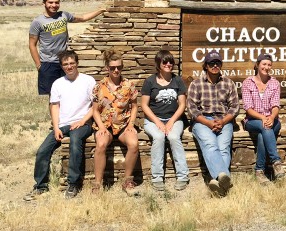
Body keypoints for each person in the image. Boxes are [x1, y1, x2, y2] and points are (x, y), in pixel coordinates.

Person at [24, 50, 95, 200]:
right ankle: (41, 186)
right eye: (65, 64)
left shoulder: (88, 80)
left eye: (71, 63)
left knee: (75, 143)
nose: (69, 66)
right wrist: (56, 127)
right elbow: (54, 106)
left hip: (83, 123)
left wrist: (82, 121)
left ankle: (73, 183)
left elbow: (96, 106)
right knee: (43, 149)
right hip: (63, 125)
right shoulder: (58, 83)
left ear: (77, 63)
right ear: (62, 66)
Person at [29, 0, 105, 95]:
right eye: (50, 2)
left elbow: (82, 18)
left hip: (64, 62)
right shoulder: (37, 22)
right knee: (53, 95)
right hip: (48, 63)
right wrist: (39, 66)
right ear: (44, 3)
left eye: (56, 2)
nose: (54, 5)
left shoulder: (63, 15)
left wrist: (100, 10)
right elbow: (32, 44)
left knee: (67, 93)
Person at [187, 51, 239, 196]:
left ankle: (217, 182)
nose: (215, 66)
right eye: (212, 63)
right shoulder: (196, 84)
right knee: (210, 144)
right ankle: (223, 178)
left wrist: (222, 121)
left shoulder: (228, 83)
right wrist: (208, 123)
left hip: (224, 120)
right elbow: (192, 109)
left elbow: (235, 107)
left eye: (217, 63)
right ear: (205, 65)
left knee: (223, 148)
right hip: (203, 121)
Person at [92, 50, 140, 196]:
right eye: (112, 68)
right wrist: (101, 127)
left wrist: (131, 123)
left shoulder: (129, 85)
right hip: (105, 124)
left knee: (134, 144)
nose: (116, 70)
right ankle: (97, 184)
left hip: (123, 125)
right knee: (101, 144)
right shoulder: (99, 86)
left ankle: (127, 181)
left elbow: (134, 106)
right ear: (107, 68)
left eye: (119, 67)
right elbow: (94, 111)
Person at [140, 49, 189, 192]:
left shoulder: (177, 80)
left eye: (171, 62)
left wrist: (171, 121)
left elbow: (182, 105)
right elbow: (144, 105)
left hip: (174, 118)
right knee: (159, 137)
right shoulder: (149, 81)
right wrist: (158, 122)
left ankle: (182, 176)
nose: (168, 64)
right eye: (165, 62)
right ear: (158, 64)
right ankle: (157, 178)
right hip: (153, 119)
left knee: (174, 137)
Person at [242, 53, 285, 185]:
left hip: (272, 119)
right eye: (264, 64)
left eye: (269, 65)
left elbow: (276, 105)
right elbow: (248, 108)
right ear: (257, 65)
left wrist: (271, 117)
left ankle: (259, 171)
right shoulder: (248, 83)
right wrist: (263, 117)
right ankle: (276, 161)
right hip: (253, 120)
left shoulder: (274, 83)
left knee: (263, 133)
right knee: (265, 126)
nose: (266, 67)